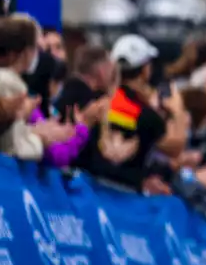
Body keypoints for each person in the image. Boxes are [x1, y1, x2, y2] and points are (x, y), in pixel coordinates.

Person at [76, 34, 189, 190]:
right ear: (145, 70)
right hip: (124, 199)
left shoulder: (97, 101)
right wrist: (178, 111)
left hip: (91, 190)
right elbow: (175, 147)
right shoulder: (144, 113)